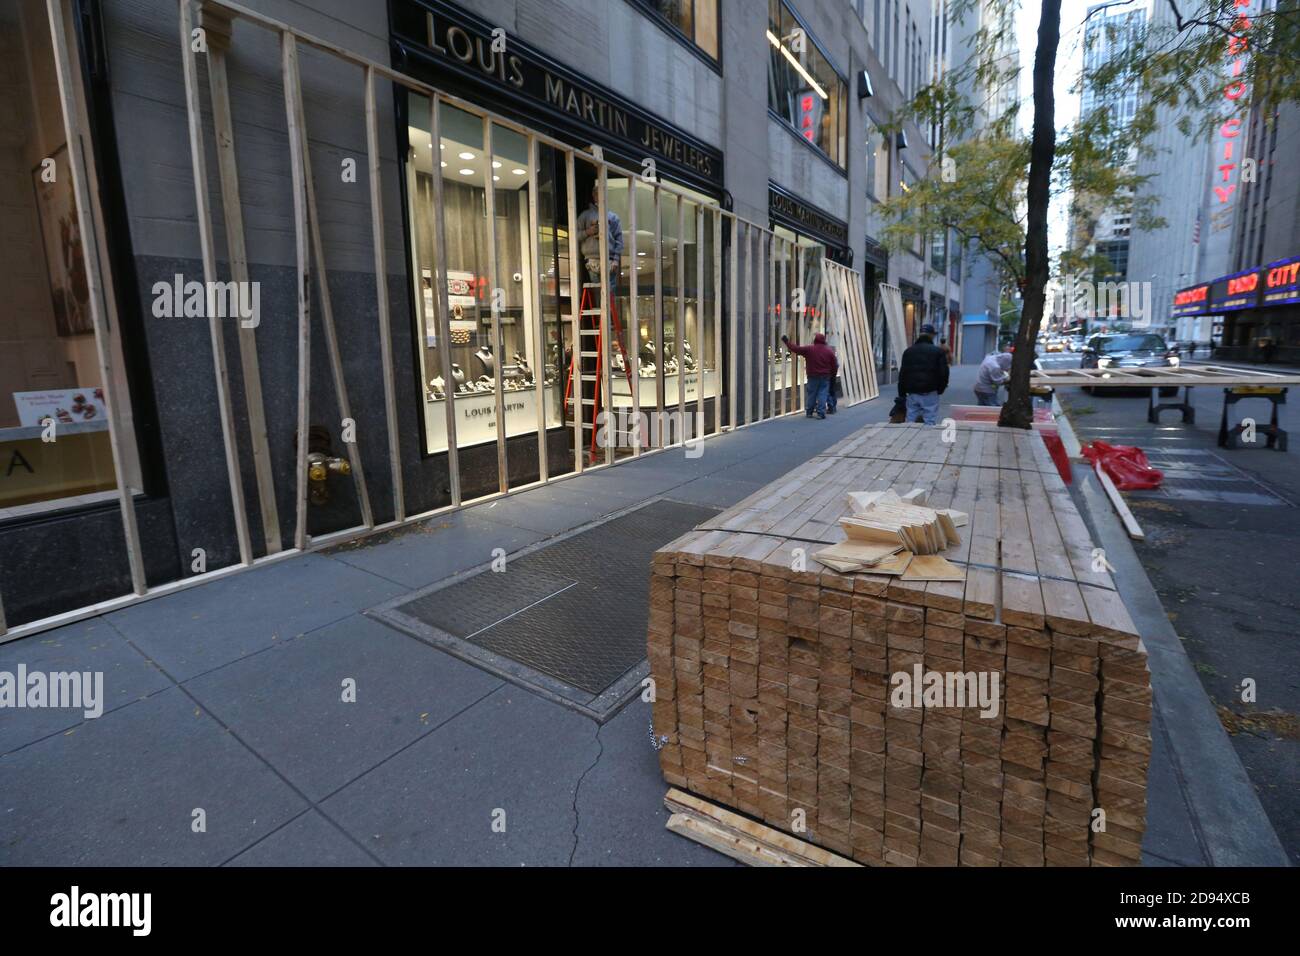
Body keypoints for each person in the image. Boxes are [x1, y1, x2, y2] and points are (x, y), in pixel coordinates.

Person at [897, 323, 949, 425]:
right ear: (932, 335)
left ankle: (909, 439)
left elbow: (903, 374)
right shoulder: (938, 352)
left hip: (912, 393)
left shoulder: (908, 351)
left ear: (919, 335)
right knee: (929, 421)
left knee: (910, 421)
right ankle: (925, 440)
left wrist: (902, 394)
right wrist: (940, 389)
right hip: (930, 392)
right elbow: (944, 373)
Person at [575, 182, 623, 288]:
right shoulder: (585, 216)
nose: (600, 196)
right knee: (597, 291)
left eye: (603, 193)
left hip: (609, 260)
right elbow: (575, 236)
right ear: (594, 195)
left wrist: (615, 260)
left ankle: (609, 305)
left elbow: (619, 240)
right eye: (597, 193)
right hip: (592, 260)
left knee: (610, 291)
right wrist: (588, 232)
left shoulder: (613, 217)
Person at [781, 331, 838, 419]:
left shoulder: (809, 349)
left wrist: (787, 342)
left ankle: (809, 412)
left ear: (815, 340)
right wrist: (833, 375)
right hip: (825, 376)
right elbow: (834, 364)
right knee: (822, 394)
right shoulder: (828, 351)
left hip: (812, 376)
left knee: (812, 394)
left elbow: (796, 349)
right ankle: (820, 413)